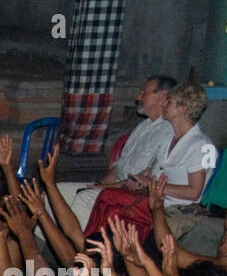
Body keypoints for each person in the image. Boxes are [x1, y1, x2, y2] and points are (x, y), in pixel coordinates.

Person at [86, 82, 216, 241]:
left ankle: (93, 251)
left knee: (112, 207)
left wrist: (153, 187)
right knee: (107, 197)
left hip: (173, 206)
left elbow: (194, 192)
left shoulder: (201, 145)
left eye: (169, 102)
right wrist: (136, 181)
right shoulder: (169, 138)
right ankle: (93, 250)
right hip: (153, 197)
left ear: (182, 109)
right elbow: (149, 172)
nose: (164, 104)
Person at [53, 75, 176, 228]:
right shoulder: (143, 127)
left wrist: (105, 188)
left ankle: (79, 246)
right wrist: (101, 183)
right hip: (116, 186)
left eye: (144, 93)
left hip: (133, 193)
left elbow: (144, 179)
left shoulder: (168, 132)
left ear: (162, 96)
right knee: (57, 191)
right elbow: (118, 166)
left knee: (85, 198)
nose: (138, 97)